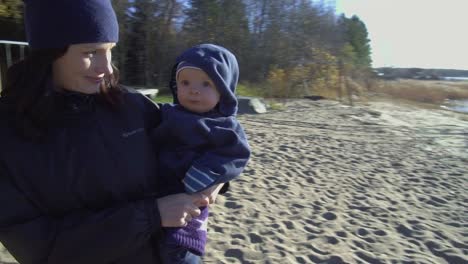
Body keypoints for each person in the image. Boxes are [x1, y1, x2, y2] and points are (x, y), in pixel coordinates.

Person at [0, 1, 225, 263]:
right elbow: (40, 248)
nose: (106, 68)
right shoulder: (9, 134)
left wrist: (217, 177)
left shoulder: (131, 105)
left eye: (110, 51)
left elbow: (191, 146)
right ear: (49, 52)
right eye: (91, 52)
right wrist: (153, 215)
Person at [152, 44, 251, 263]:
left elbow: (236, 155)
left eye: (206, 84)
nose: (194, 90)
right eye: (185, 83)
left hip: (192, 194)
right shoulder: (167, 113)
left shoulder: (223, 126)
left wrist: (207, 172)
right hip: (156, 193)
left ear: (223, 91)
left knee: (181, 248)